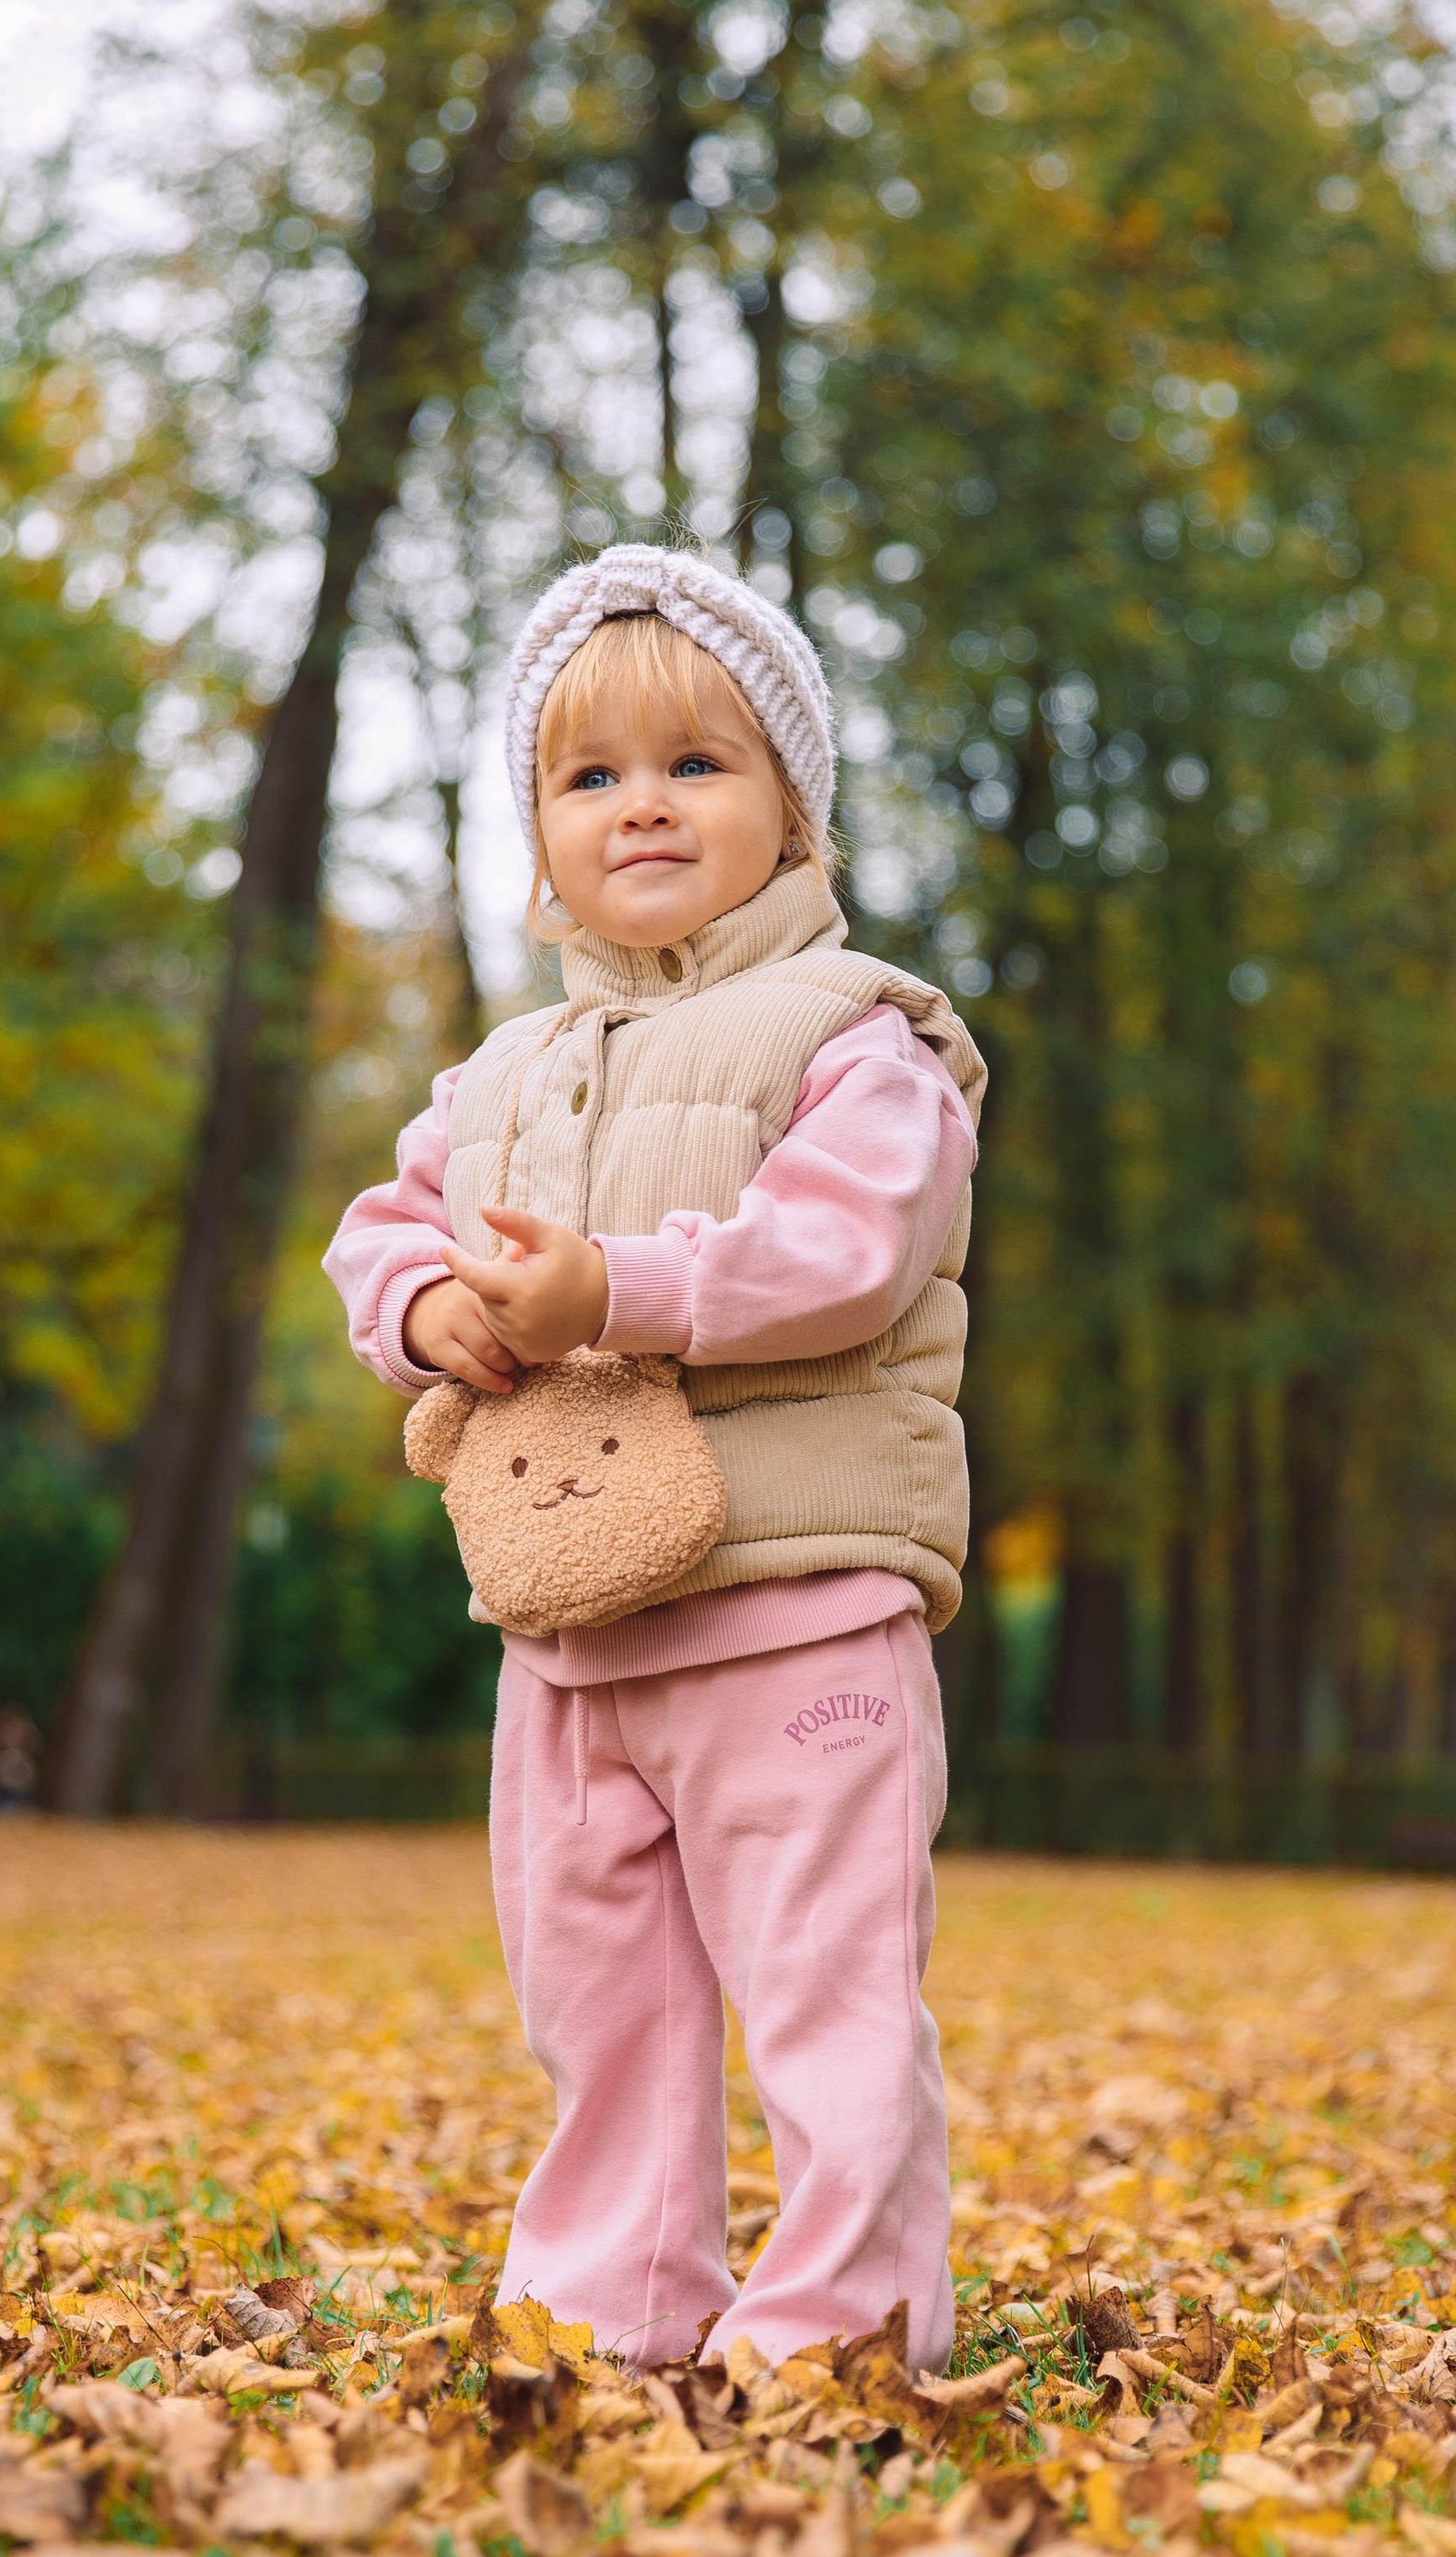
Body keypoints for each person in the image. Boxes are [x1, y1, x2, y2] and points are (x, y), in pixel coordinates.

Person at [323, 547, 983, 2370]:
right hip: (568, 1624)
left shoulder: (861, 1035)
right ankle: (613, 2301)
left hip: (793, 1614)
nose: (642, 807)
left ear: (792, 808)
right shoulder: (508, 1071)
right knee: (597, 1998)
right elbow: (384, 1222)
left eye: (697, 764)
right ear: (536, 829)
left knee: (824, 1993)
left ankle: (840, 2322)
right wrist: (422, 1313)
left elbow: (846, 1251)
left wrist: (615, 1287)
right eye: (588, 776)